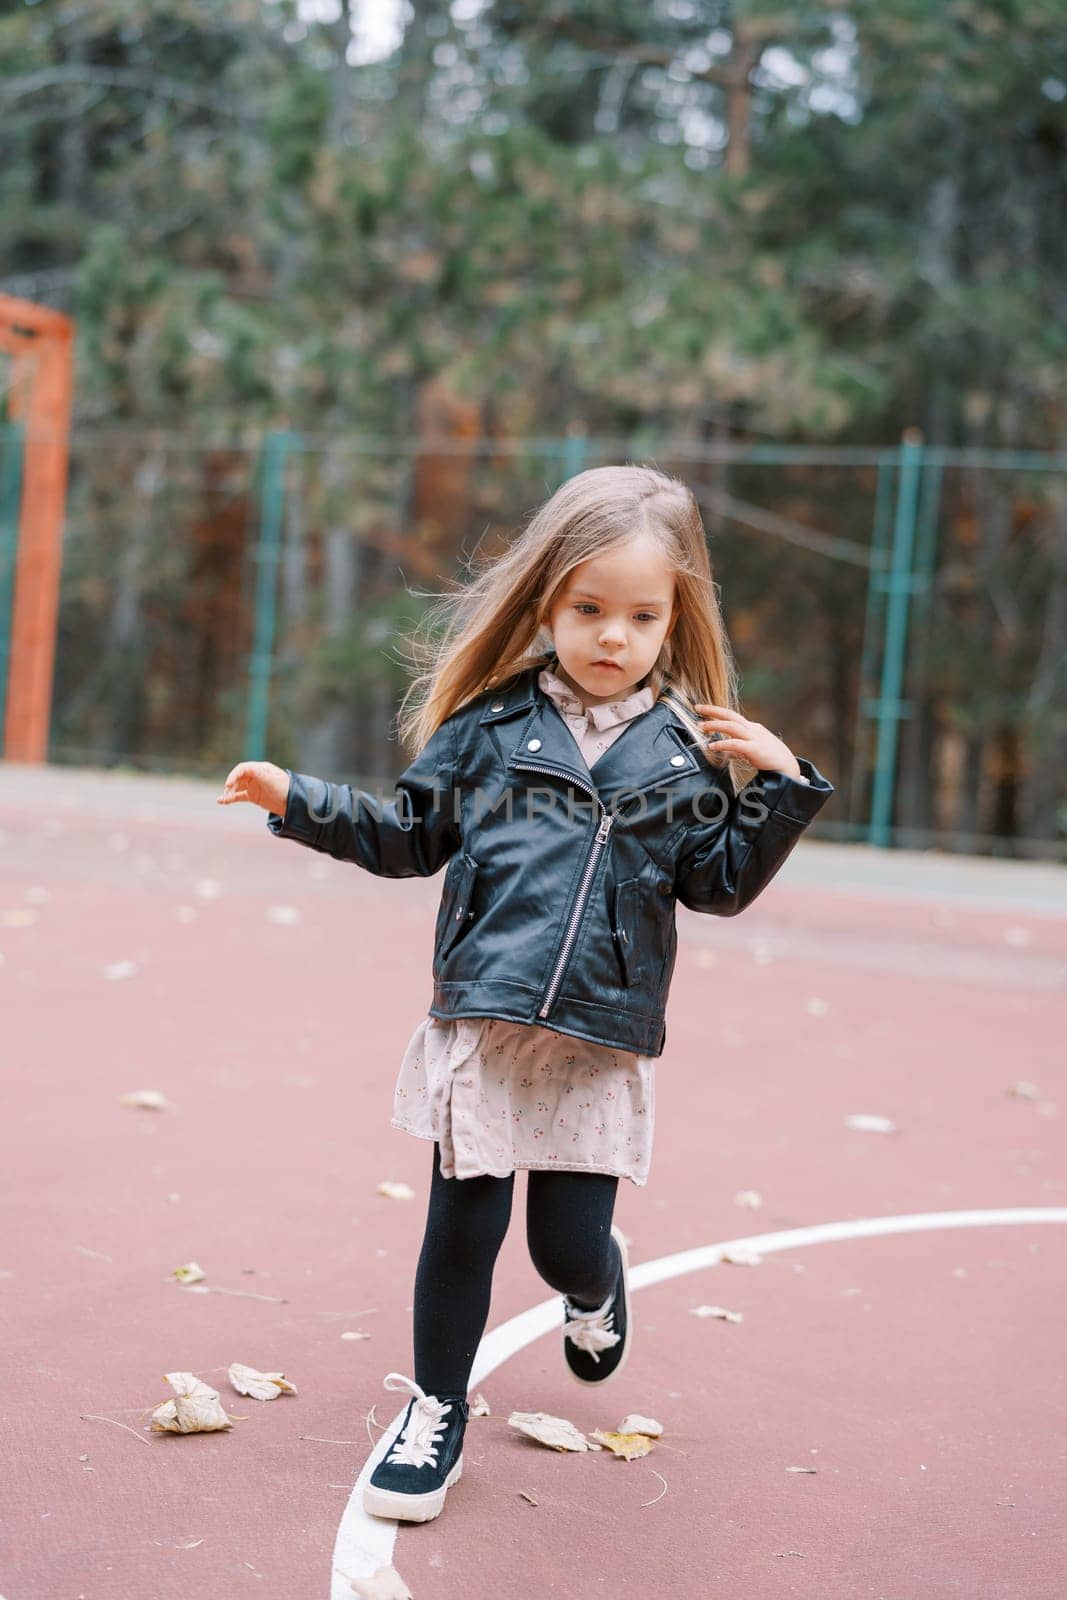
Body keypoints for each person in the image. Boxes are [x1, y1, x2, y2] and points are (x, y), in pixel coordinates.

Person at [217, 463, 834, 1525]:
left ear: (674, 618)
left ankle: (596, 1287)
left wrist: (777, 787)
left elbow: (718, 885)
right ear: (545, 602)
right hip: (486, 1020)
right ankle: (433, 1410)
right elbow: (407, 838)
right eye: (588, 609)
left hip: (597, 1035)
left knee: (560, 1244)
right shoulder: (488, 732)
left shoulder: (687, 755)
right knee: (462, 1224)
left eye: (640, 616)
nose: (611, 636)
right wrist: (298, 800)